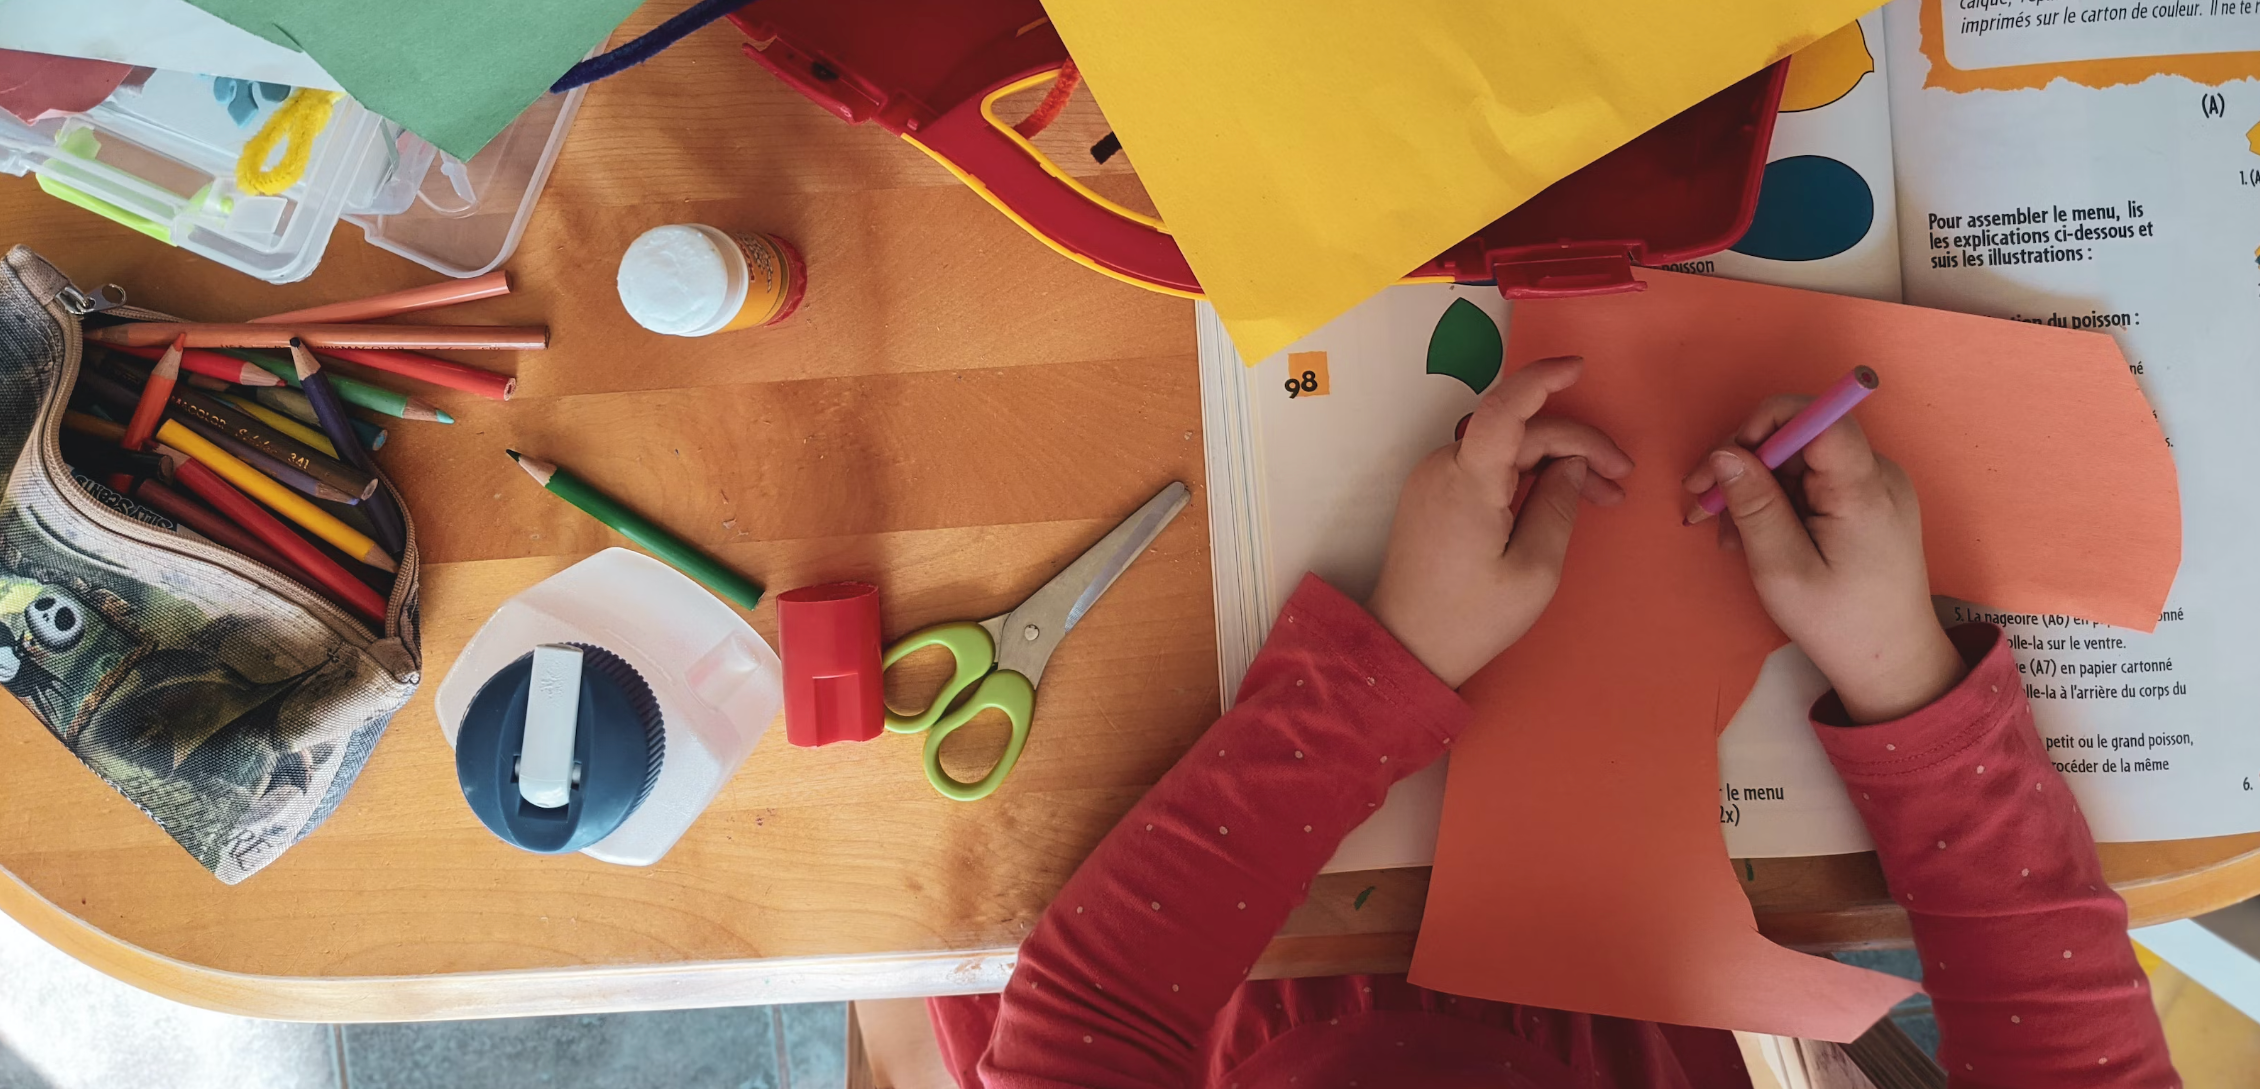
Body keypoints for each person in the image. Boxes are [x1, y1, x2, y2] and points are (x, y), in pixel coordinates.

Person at [922, 356, 2177, 1088]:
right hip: (1625, 1012)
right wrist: (1904, 680)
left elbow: (1093, 1013)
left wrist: (1383, 670)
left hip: (1240, 1003)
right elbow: (2073, 1049)